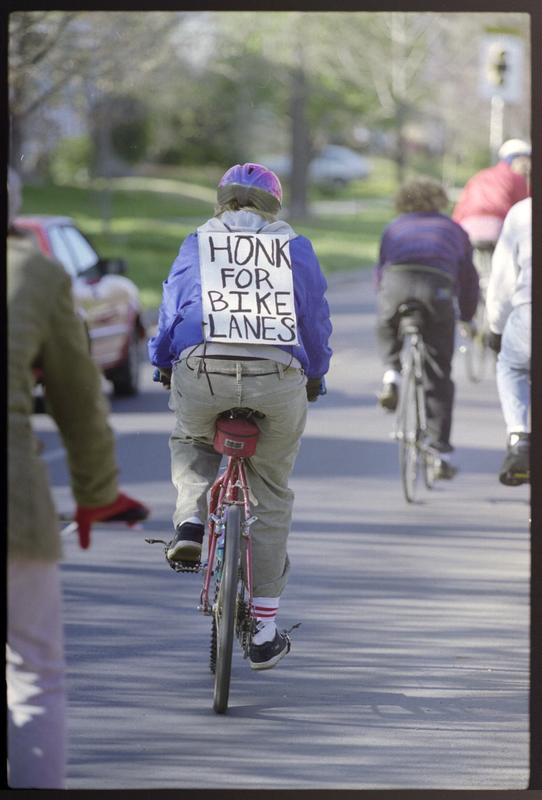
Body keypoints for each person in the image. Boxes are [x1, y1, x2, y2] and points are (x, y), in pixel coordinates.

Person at [148, 162, 332, 670]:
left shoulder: (197, 242)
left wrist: (162, 361)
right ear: (275, 204)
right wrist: (315, 372)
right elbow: (313, 319)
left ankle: (190, 523)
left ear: (221, 200)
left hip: (202, 369)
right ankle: (265, 630)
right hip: (276, 377)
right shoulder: (294, 247)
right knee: (269, 493)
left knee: (191, 439)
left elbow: (172, 309)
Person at [7, 167, 149, 789]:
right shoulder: (35, 273)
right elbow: (78, 397)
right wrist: (97, 493)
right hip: (14, 502)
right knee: (33, 672)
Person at [375, 177, 480, 479]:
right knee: (438, 372)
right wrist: (467, 316)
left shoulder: (393, 227)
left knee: (386, 326)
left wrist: (386, 304)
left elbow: (380, 273)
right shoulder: (453, 229)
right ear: (439, 200)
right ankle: (440, 451)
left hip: (396, 283)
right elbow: (469, 279)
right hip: (437, 289)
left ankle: (392, 374)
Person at [486, 197, 531, 486]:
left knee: (511, 367)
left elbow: (503, 281)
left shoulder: (523, 212)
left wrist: (496, 328)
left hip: (529, 313)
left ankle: (519, 435)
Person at [452, 138, 531, 248]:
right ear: (516, 160)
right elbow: (524, 210)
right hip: (498, 228)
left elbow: (461, 207)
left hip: (467, 228)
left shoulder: (480, 175)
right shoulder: (517, 179)